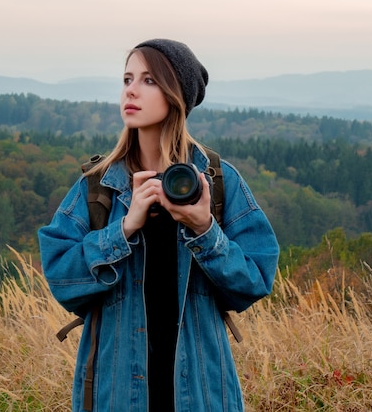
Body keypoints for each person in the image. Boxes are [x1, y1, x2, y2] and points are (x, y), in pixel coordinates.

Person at [38, 39, 280, 411]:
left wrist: (205, 231)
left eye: (148, 80)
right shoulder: (100, 185)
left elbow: (256, 280)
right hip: (116, 394)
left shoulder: (216, 181)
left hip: (200, 394)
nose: (131, 90)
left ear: (176, 95)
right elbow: (60, 278)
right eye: (127, 79)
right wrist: (123, 229)